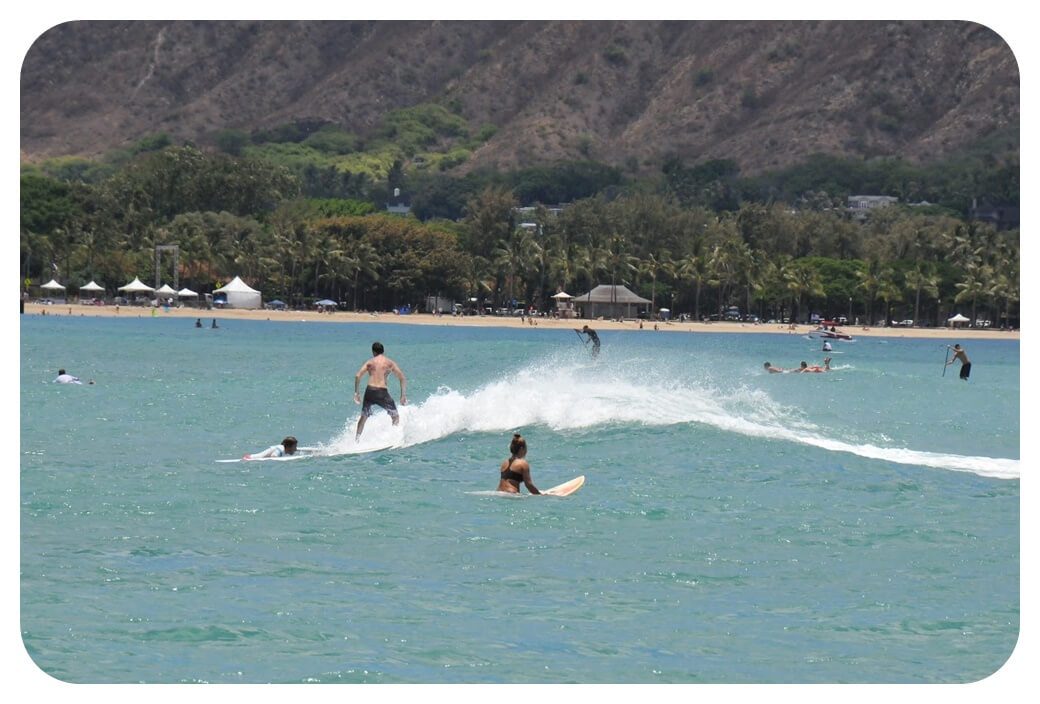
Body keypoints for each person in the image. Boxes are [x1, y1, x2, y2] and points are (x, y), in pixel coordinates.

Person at [354, 341, 407, 440]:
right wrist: (403, 395)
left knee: (364, 417)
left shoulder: (370, 362)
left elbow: (358, 376)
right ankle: (394, 438)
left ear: (373, 352)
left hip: (369, 391)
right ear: (383, 351)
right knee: (395, 416)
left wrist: (356, 393)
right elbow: (402, 378)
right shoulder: (389, 363)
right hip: (382, 392)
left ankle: (356, 440)